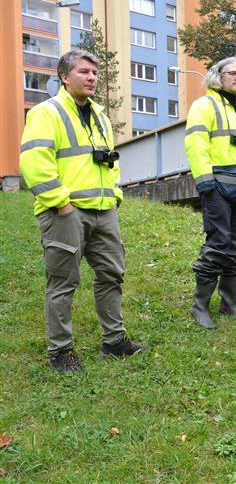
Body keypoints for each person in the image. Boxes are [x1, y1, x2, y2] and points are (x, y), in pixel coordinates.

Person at [19, 49, 144, 373]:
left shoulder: (101, 116)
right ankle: (61, 351)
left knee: (112, 275)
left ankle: (114, 340)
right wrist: (61, 204)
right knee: (63, 282)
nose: (92, 78)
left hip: (104, 210)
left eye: (94, 73)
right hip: (65, 213)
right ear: (64, 77)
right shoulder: (47, 112)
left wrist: (115, 196)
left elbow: (110, 161)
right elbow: (34, 163)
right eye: (84, 72)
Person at [185, 56, 236, 329]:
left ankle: (229, 304)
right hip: (217, 187)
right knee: (218, 243)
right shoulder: (203, 106)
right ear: (218, 76)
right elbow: (196, 145)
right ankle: (200, 305)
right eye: (233, 73)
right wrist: (205, 183)